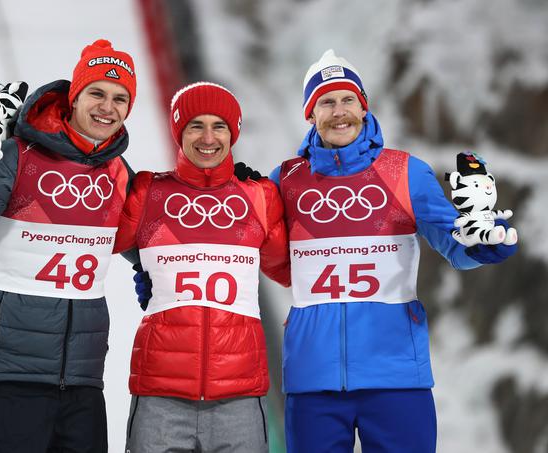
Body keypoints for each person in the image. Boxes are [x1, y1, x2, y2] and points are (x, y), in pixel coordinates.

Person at [270, 49, 518, 453]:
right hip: (313, 376)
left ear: (363, 107)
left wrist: (487, 242)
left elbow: (455, 243)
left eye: (348, 99)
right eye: (326, 102)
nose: (339, 112)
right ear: (310, 115)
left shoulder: (405, 172)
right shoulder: (285, 180)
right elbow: (246, 246)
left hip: (396, 374)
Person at [0, 39, 137, 453]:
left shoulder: (120, 174)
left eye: (120, 98)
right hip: (8, 376)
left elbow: (161, 253)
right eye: (97, 93)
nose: (108, 107)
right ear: (74, 97)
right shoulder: (18, 157)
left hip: (82, 383)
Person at [114, 82, 291, 452]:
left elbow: (292, 268)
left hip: (239, 393)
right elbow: (93, 234)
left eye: (219, 126)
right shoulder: (149, 193)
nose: (208, 137)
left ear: (233, 133)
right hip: (161, 392)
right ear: (179, 131)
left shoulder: (259, 196)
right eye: (195, 125)